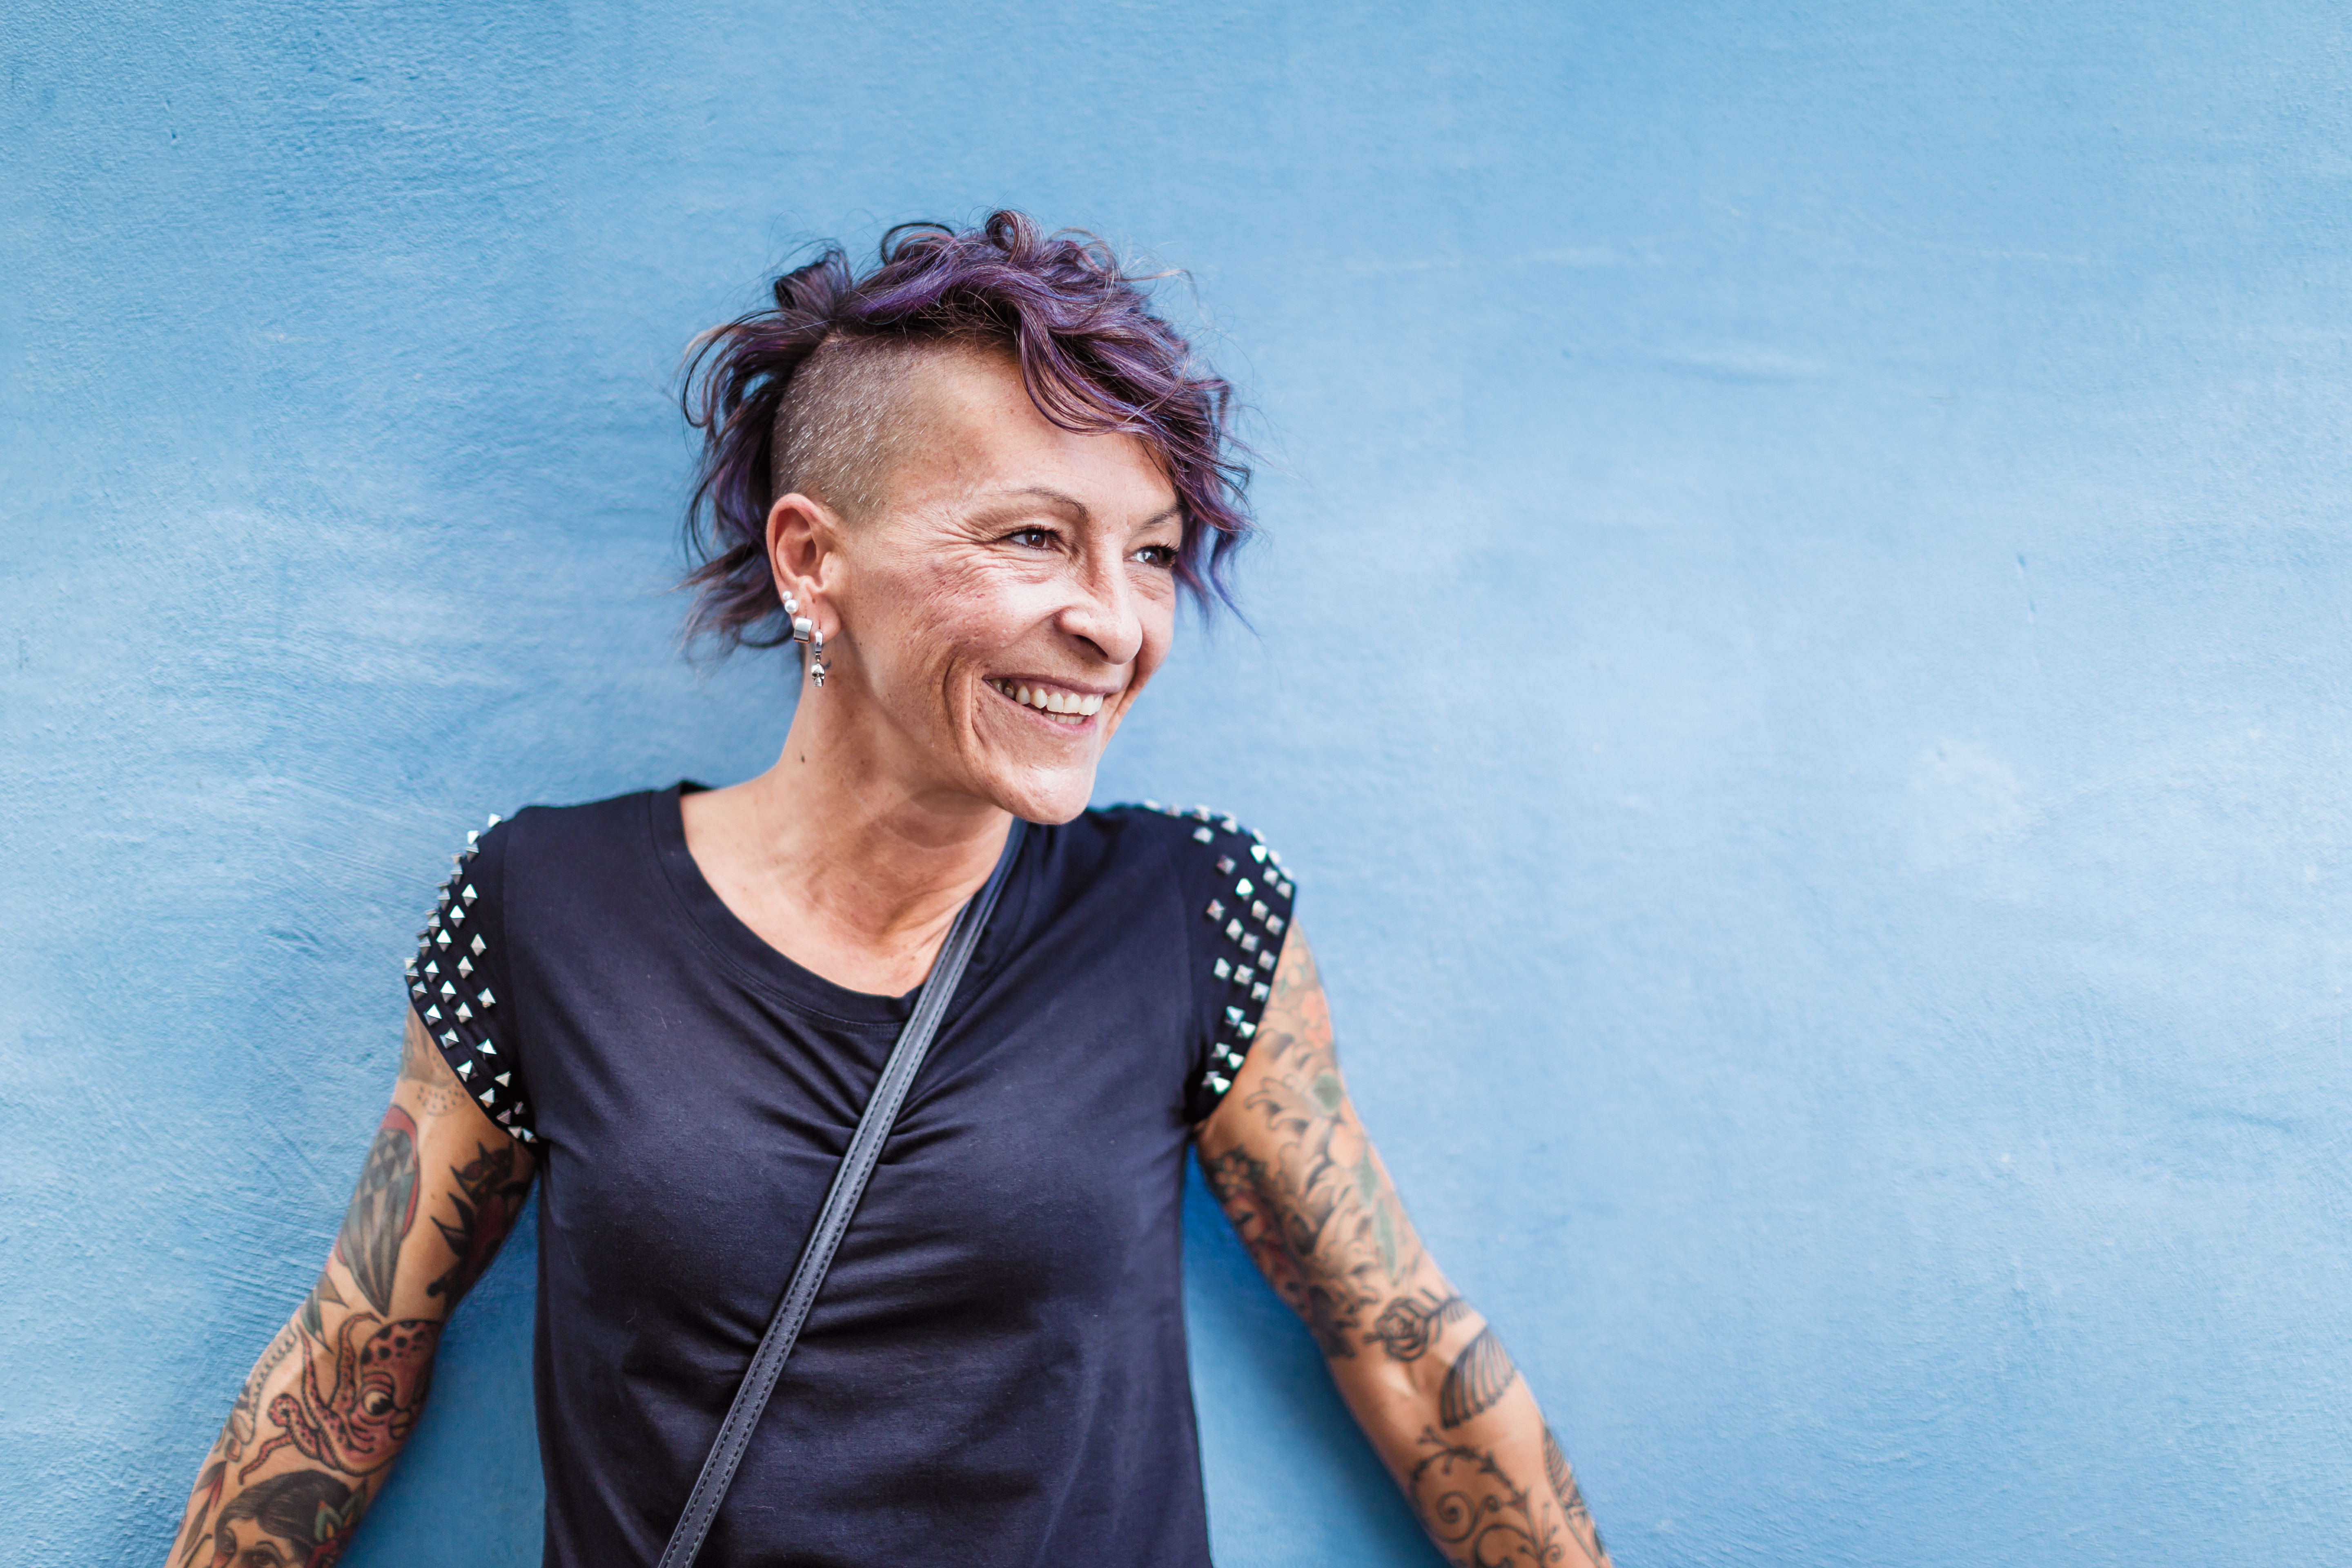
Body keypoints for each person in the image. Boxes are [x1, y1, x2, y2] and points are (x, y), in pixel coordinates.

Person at [167, 212, 1613, 1568]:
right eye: (1033, 537)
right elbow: (353, 1364)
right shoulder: (546, 910)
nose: (1112, 621)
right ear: (815, 560)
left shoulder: (1191, 915)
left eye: (1154, 553)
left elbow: (1409, 1349)